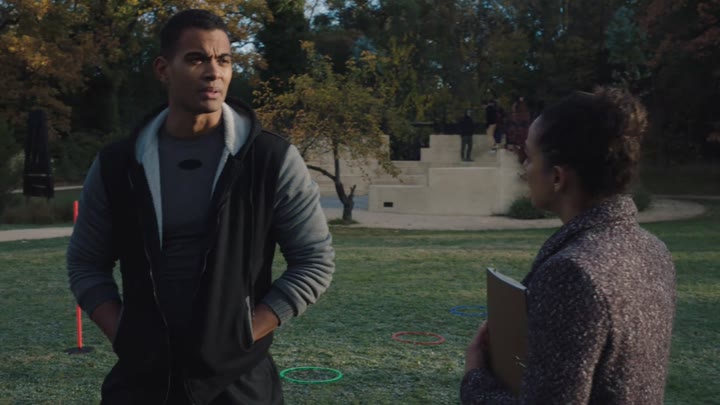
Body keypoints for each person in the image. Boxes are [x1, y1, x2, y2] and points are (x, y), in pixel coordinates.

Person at [67, 9, 335, 404]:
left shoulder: (270, 159)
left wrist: (244, 334)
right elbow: (85, 263)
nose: (214, 72)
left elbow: (314, 261)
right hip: (141, 382)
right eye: (196, 59)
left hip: (239, 383)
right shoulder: (118, 164)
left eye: (224, 60)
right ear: (163, 69)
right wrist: (123, 333)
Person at [461, 87, 676, 404]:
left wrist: (475, 378)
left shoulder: (572, 273)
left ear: (557, 177)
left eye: (529, 157)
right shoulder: (654, 250)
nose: (524, 168)